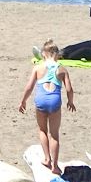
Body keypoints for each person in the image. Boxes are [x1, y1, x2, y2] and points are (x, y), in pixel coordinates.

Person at [19, 40, 75, 173]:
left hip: (41, 100)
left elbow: (29, 87)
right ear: (57, 55)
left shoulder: (38, 67)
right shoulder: (62, 69)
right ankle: (55, 166)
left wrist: (23, 101)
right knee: (54, 135)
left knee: (42, 130)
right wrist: (70, 101)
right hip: (54, 100)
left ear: (43, 54)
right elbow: (69, 89)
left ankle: (47, 159)